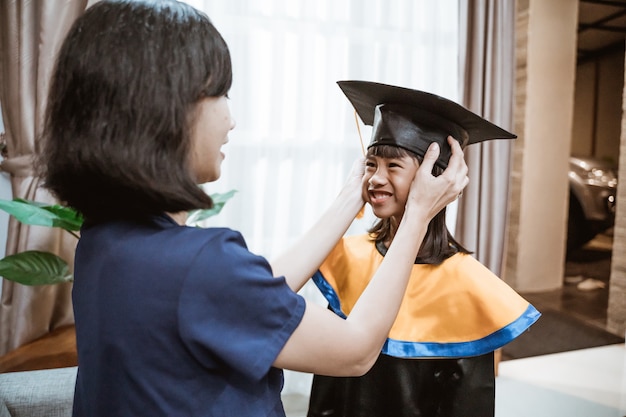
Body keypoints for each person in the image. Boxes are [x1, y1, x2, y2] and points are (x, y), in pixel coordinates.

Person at [36, 2, 469, 416]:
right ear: (163, 111)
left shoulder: (103, 240)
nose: (231, 119)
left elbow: (243, 298)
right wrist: (417, 215)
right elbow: (355, 350)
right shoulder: (200, 266)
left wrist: (346, 201)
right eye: (220, 94)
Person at [307, 81, 541, 417]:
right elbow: (326, 388)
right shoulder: (351, 257)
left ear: (435, 176)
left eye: (393, 166)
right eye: (372, 164)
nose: (375, 178)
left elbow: (467, 405)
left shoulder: (465, 286)